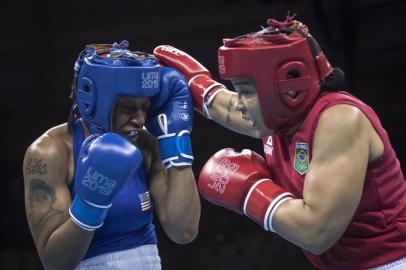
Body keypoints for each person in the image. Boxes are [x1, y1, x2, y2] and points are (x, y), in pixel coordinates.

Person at [152, 13, 406, 270]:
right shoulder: (279, 119)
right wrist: (188, 82)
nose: (239, 101)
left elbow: (315, 233)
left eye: (246, 91)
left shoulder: (339, 121)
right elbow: (227, 108)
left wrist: (251, 191)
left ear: (287, 88)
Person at [23, 40, 201, 270]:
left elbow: (183, 231)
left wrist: (176, 141)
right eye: (128, 108)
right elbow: (55, 263)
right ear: (93, 102)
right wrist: (91, 203)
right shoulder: (51, 153)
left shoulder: (147, 144)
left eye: (145, 107)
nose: (139, 119)